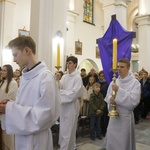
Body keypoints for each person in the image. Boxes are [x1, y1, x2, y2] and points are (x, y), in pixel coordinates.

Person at [0, 36, 60, 150]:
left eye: (15, 54)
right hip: (22, 136)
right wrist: (11, 104)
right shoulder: (25, 77)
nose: (13, 59)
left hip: (37, 140)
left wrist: (8, 109)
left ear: (27, 51)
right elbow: (26, 105)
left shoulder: (45, 77)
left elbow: (45, 115)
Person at [105, 58, 141, 150]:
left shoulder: (135, 83)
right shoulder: (114, 81)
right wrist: (111, 100)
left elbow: (133, 101)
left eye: (122, 67)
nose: (119, 69)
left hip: (125, 119)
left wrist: (119, 91)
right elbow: (108, 96)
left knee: (123, 144)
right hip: (113, 118)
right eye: (118, 67)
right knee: (112, 142)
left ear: (128, 68)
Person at [59, 56, 83, 150]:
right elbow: (58, 89)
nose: (68, 65)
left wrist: (62, 93)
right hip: (63, 106)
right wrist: (56, 80)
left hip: (71, 106)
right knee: (63, 128)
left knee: (69, 129)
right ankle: (68, 147)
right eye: (67, 63)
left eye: (70, 63)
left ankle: (67, 147)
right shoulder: (64, 76)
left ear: (75, 65)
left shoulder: (77, 78)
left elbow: (74, 94)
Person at [0, 64, 18, 150]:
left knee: (8, 137)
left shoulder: (13, 83)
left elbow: (11, 98)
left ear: (9, 72)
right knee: (2, 137)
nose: (2, 72)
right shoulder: (2, 82)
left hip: (7, 113)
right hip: (1, 112)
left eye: (4, 70)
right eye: (2, 70)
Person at [97, 70, 109, 136]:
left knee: (105, 117)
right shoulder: (97, 83)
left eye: (103, 76)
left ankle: (105, 130)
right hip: (98, 102)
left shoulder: (107, 83)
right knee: (100, 117)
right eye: (101, 76)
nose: (102, 77)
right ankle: (100, 130)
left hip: (105, 101)